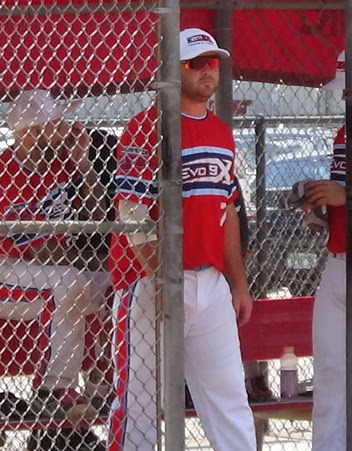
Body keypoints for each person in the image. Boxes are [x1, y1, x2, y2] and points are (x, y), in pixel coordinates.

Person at [107, 28, 256, 450]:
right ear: (171, 70)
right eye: (195, 63)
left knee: (229, 397)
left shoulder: (220, 131)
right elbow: (133, 214)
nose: (208, 71)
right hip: (146, 281)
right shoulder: (145, 127)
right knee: (138, 402)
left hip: (210, 281)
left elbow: (226, 212)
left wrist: (238, 283)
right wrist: (162, 279)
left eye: (213, 62)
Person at [0, 89, 112, 418]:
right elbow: (37, 251)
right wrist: (90, 261)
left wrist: (85, 165)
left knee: (117, 284)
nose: (67, 129)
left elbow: (98, 217)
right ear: (30, 132)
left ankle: (103, 383)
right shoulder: (1, 170)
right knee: (69, 282)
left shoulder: (62, 163)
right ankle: (51, 390)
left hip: (47, 270)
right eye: (56, 124)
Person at [304, 49, 347, 451]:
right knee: (330, 374)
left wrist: (343, 196)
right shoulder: (343, 134)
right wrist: (319, 207)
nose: (344, 97)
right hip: (337, 263)